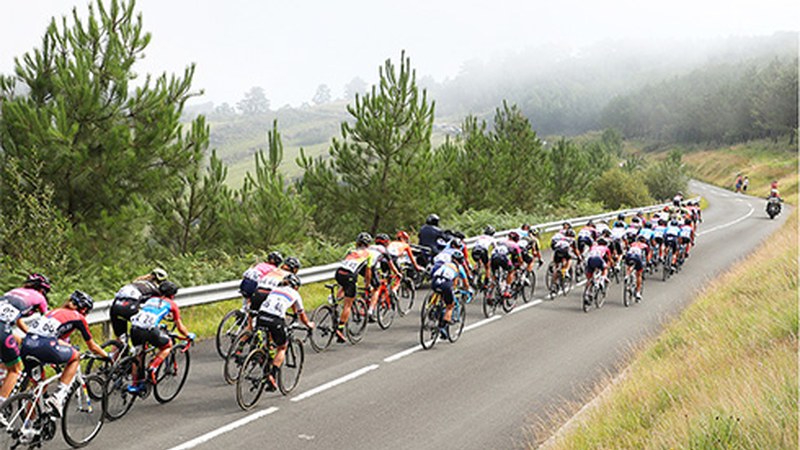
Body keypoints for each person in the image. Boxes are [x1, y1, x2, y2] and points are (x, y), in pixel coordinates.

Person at [21, 291, 110, 416]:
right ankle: (58, 396)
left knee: (39, 388)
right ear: (84, 309)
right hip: (45, 346)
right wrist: (106, 356)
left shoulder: (54, 312)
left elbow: (53, 338)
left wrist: (69, 347)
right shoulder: (78, 317)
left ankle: (28, 428)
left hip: (27, 345)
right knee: (75, 357)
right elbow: (92, 346)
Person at [127, 281, 194, 390]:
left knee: (138, 355)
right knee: (167, 346)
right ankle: (153, 367)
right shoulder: (172, 304)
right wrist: (188, 335)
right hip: (149, 330)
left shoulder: (150, 299)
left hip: (135, 328)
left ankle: (135, 384)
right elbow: (180, 327)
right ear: (172, 295)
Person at [255, 274, 314, 390]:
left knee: (268, 341)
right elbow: (301, 313)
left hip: (261, 316)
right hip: (275, 319)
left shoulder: (275, 290)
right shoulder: (295, 294)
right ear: (296, 286)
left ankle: (261, 355)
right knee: (282, 347)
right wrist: (308, 324)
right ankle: (272, 375)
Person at [0, 274, 51, 406]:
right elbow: (50, 324)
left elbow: (17, 320)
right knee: (15, 370)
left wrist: (29, 333)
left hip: (4, 329)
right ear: (42, 290)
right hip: (1, 330)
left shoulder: (12, 292)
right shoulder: (40, 298)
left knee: (15, 341)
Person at [334, 232, 375, 342]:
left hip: (339, 272)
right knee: (348, 304)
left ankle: (334, 304)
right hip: (350, 275)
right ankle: (340, 329)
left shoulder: (351, 251)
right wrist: (367, 285)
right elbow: (368, 272)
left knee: (344, 286)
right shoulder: (369, 254)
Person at [110, 268, 168, 340]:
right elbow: (155, 305)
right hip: (128, 308)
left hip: (115, 307)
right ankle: (139, 349)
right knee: (144, 327)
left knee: (120, 338)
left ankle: (116, 350)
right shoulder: (155, 290)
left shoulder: (137, 282)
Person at [430, 250, 469, 334]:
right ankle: (442, 327)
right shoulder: (459, 268)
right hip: (446, 284)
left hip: (435, 281)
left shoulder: (445, 264)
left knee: (439, 294)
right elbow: (457, 284)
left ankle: (433, 307)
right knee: (450, 306)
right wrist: (466, 290)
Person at [584, 237, 613, 305]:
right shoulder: (606, 248)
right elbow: (609, 259)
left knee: (589, 278)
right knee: (605, 268)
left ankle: (587, 293)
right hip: (598, 259)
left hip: (589, 259)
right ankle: (602, 279)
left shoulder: (593, 247)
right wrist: (612, 264)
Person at [625, 235, 650, 300]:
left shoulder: (633, 244)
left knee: (629, 266)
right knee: (639, 275)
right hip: (637, 257)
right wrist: (648, 263)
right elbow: (647, 256)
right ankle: (638, 293)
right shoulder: (645, 246)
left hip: (629, 256)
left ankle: (627, 275)